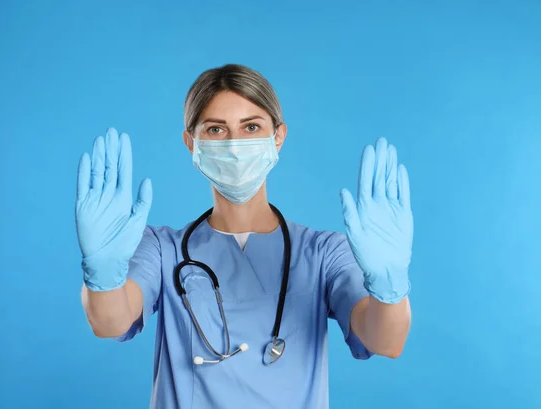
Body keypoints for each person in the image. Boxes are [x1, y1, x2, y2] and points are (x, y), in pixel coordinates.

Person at [76, 64, 413, 409]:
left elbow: (387, 342)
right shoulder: (164, 249)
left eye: (251, 127)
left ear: (278, 137)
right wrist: (101, 273)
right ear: (191, 143)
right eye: (216, 129)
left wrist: (389, 288)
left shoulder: (324, 253)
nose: (235, 146)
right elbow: (109, 322)